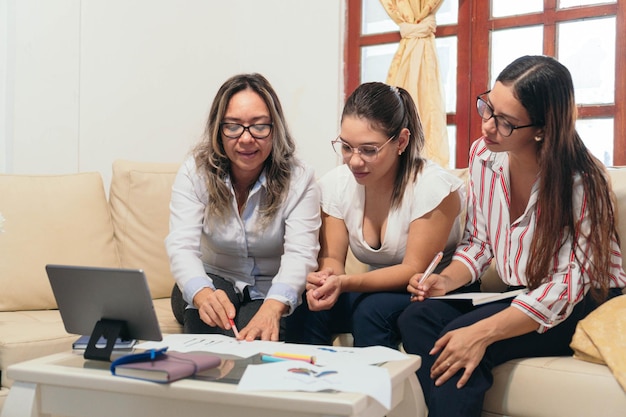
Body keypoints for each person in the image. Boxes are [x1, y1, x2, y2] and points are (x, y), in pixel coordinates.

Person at [397, 55, 626, 416]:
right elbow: (480, 243)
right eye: (488, 108)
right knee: (416, 318)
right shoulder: (484, 157)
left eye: (505, 122)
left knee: (462, 339)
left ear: (542, 129)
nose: (487, 126)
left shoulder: (583, 181)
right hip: (524, 291)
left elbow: (567, 285)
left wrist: (483, 332)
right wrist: (445, 280)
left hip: (581, 301)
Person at [286, 82, 467, 349]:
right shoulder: (335, 185)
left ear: (401, 141)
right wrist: (327, 281)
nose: (355, 161)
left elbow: (412, 269)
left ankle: (375, 389)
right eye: (346, 147)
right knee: (306, 303)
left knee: (372, 310)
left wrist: (345, 283)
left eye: (369, 150)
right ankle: (305, 385)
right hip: (374, 290)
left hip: (431, 289)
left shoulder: (434, 187)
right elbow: (333, 258)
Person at [166, 73, 321, 341]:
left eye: (259, 126)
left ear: (275, 128)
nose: (246, 138)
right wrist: (202, 294)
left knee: (255, 337)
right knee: (206, 320)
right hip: (212, 278)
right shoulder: (195, 171)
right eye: (233, 126)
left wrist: (274, 307)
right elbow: (181, 245)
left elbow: (301, 255)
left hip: (270, 289)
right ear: (218, 128)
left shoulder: (300, 178)